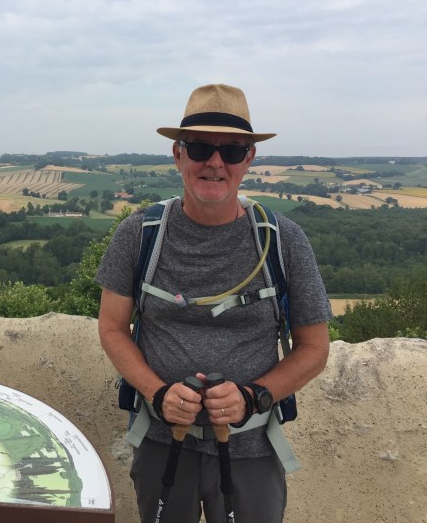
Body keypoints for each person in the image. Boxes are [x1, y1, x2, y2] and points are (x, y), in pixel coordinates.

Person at [96, 83, 331, 523]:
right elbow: (111, 327)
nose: (215, 163)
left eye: (233, 151)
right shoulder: (139, 234)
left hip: (252, 448)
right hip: (163, 440)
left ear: (249, 158)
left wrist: (253, 397)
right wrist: (158, 393)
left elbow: (315, 348)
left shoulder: (284, 241)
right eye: (201, 148)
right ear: (178, 154)